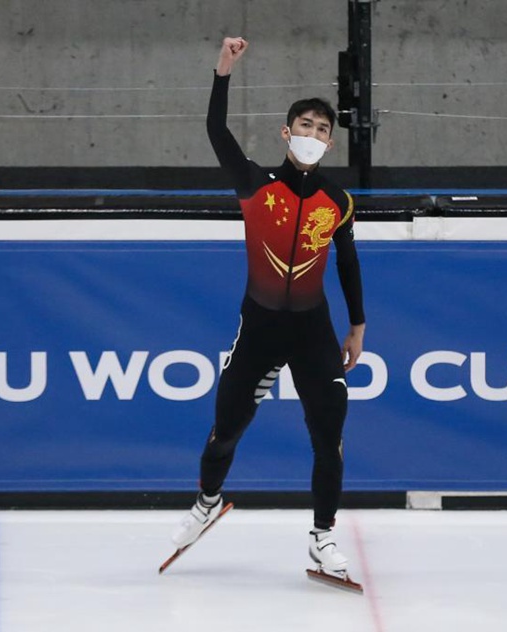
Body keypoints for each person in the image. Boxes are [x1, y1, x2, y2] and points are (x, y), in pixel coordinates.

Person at [170, 37, 366, 581]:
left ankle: (323, 539)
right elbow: (216, 132)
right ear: (287, 132)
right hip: (258, 329)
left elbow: (348, 263)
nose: (313, 135)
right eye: (305, 126)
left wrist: (357, 325)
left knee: (329, 436)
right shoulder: (256, 183)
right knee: (225, 428)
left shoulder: (339, 202)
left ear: (329, 144)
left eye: (323, 130)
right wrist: (223, 72)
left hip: (314, 331)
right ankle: (207, 503)